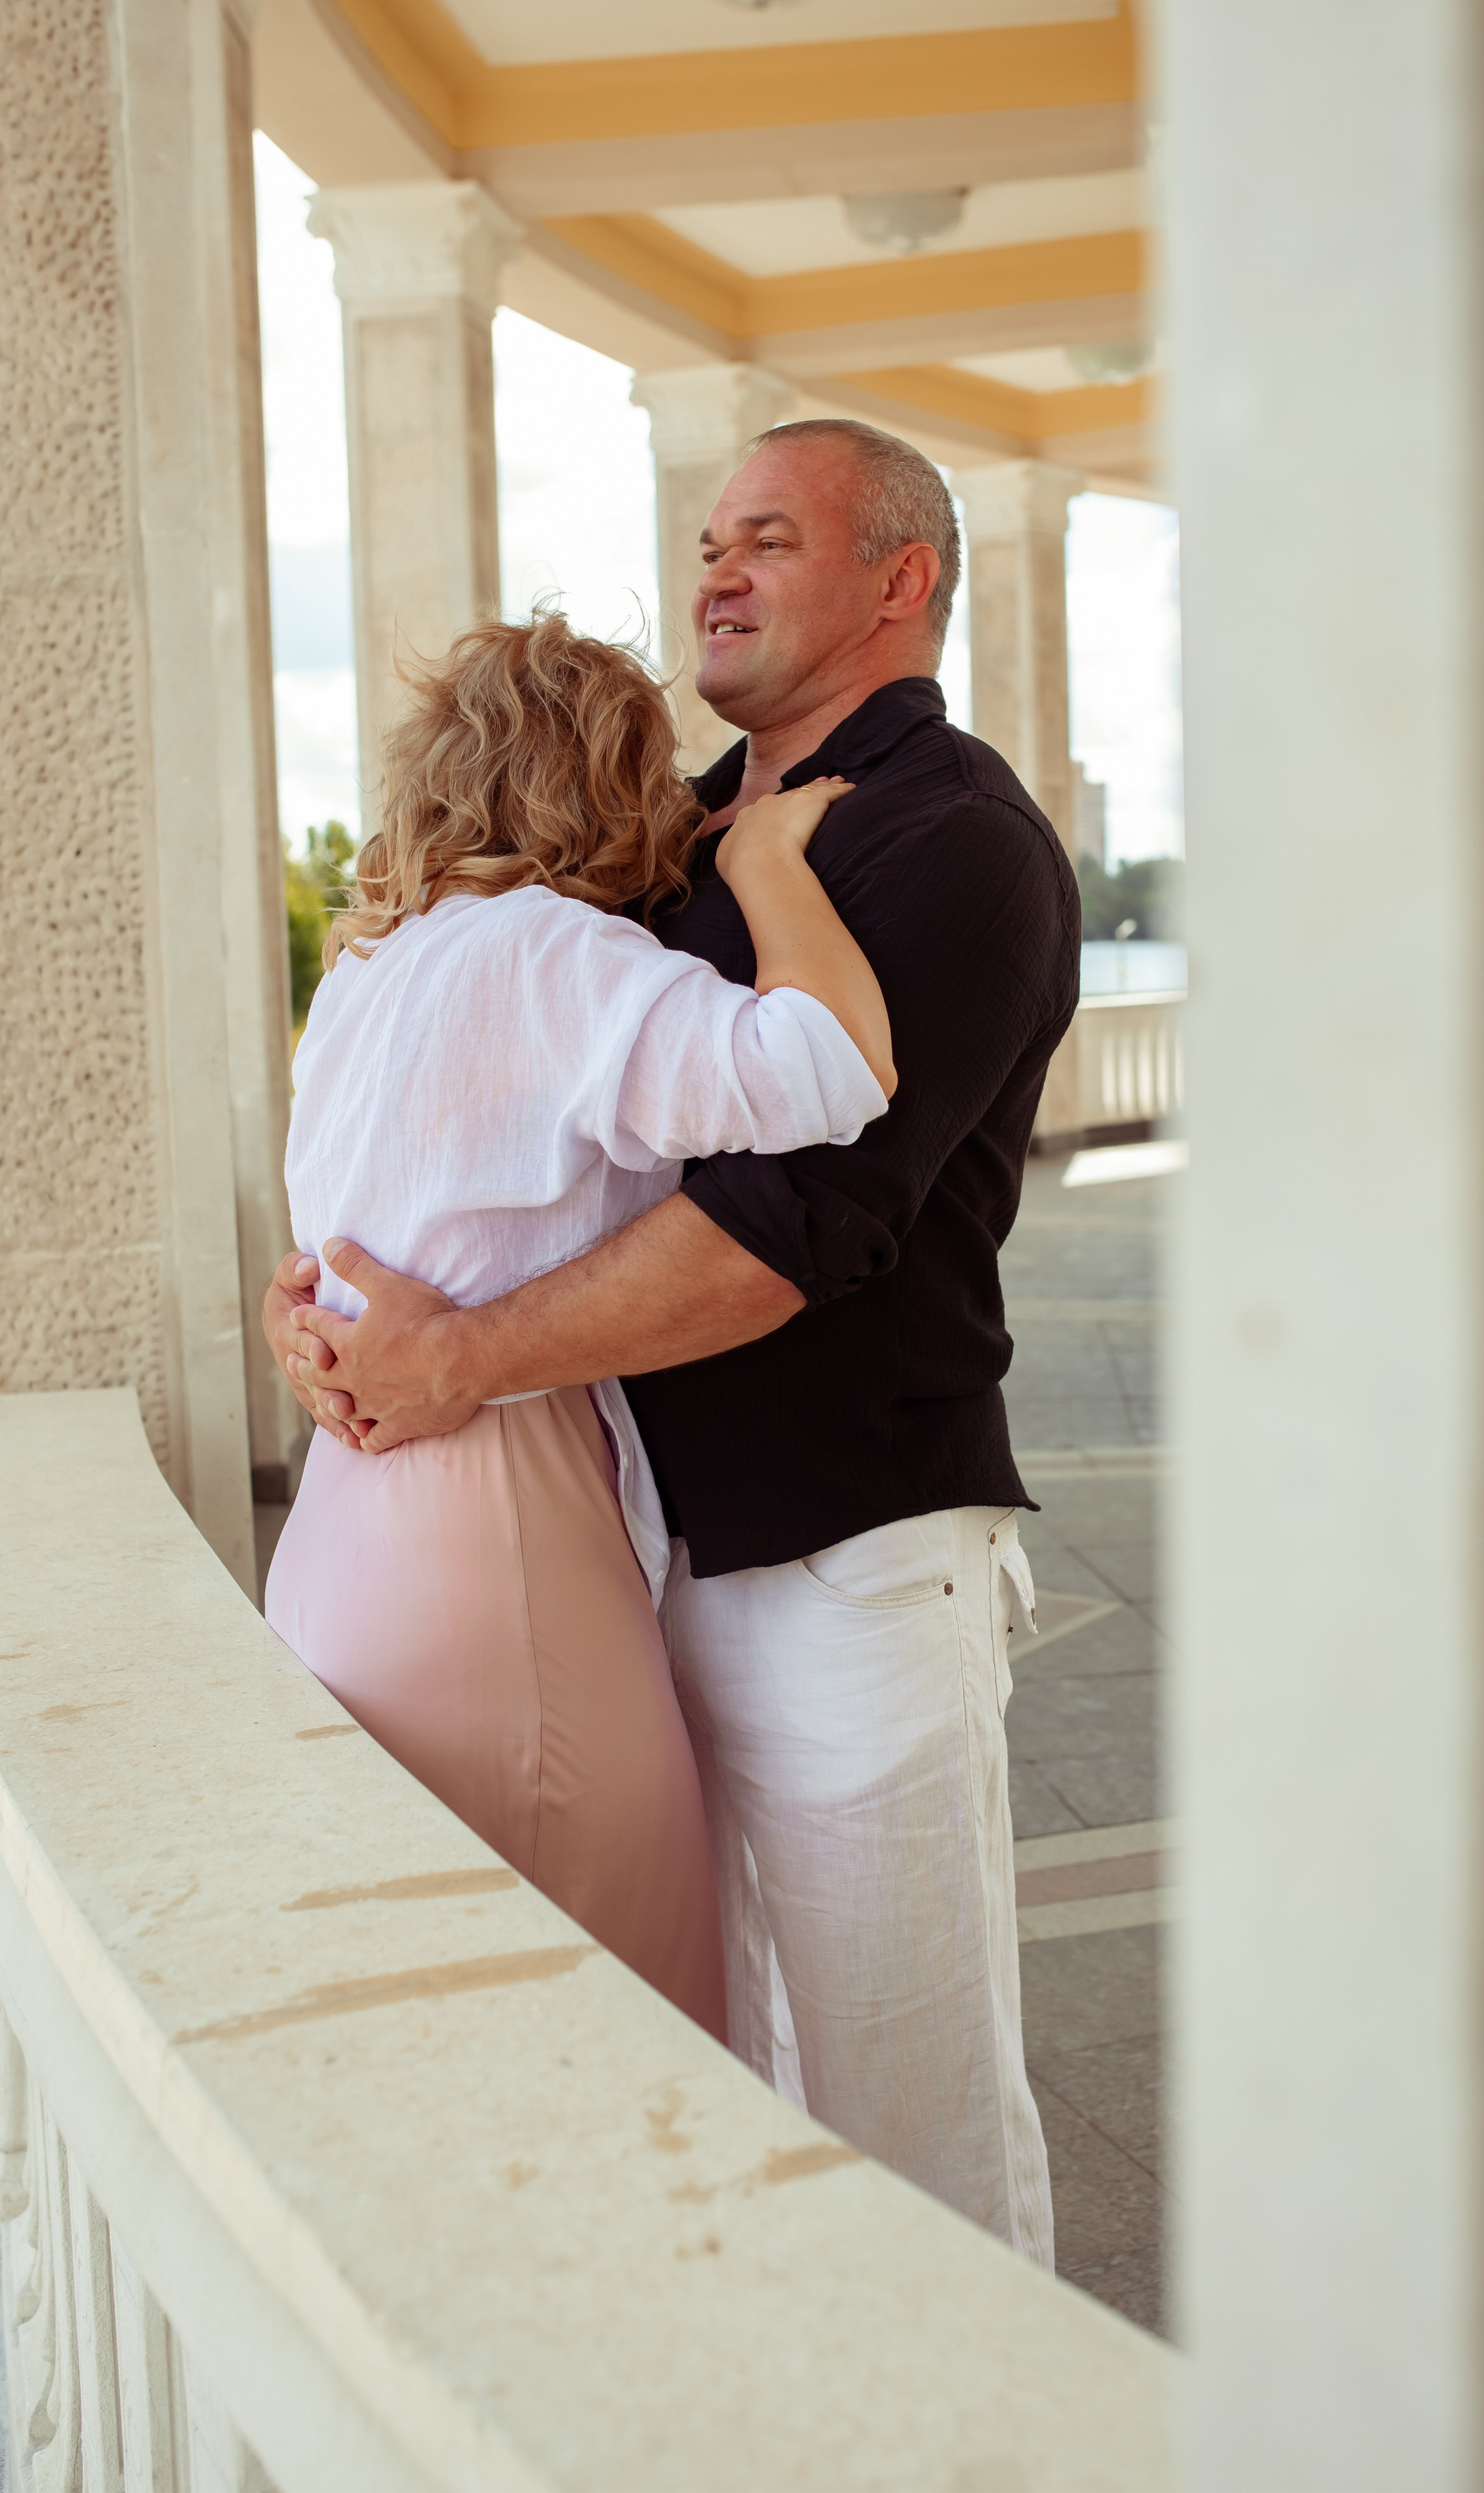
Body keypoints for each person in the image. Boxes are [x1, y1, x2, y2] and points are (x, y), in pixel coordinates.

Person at [268, 422, 1079, 2267]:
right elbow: (486, 1145)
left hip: (847, 1560)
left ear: (901, 579)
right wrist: (319, 1298)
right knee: (731, 2083)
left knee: (908, 2110)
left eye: (768, 538)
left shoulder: (959, 843)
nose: (714, 567)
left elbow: (793, 1229)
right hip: (626, 1566)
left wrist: (458, 1357)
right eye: (709, 536)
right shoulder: (666, 844)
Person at [264, 613, 896, 2047]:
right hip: (501, 1541)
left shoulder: (363, 973)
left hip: (347, 1526)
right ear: (602, 780)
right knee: (618, 2032)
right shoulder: (546, 952)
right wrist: (764, 864)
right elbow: (832, 1068)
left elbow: (334, 1247)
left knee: (432, 2030)